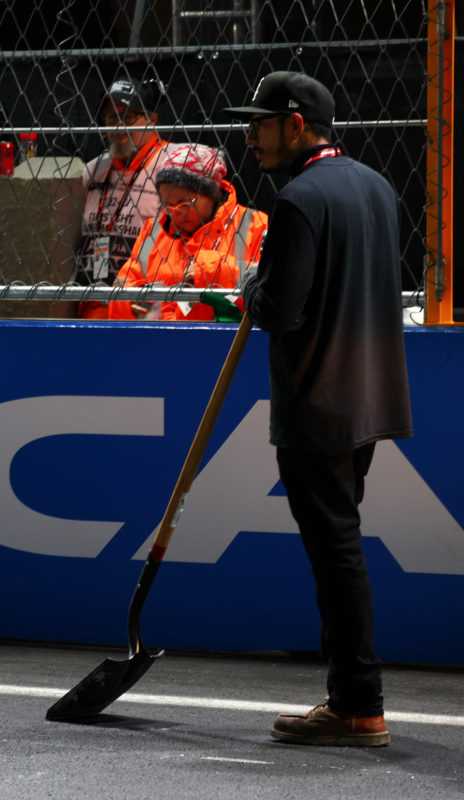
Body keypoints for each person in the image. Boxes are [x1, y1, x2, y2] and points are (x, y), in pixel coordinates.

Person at [227, 71, 413, 746]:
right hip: (369, 394)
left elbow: (283, 309)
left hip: (320, 402)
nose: (250, 138)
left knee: (336, 551)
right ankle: (353, 696)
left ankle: (359, 701)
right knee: (342, 545)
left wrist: (251, 282)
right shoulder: (376, 186)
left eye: (261, 124)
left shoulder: (299, 200)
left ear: (297, 123)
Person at [103, 143, 267, 320]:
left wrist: (212, 272)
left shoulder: (256, 226)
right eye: (168, 205)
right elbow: (125, 282)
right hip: (156, 340)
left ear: (212, 194)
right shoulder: (153, 230)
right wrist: (127, 304)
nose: (175, 212)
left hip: (225, 342)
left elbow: (271, 288)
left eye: (184, 203)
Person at [66, 76, 176, 318]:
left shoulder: (172, 164)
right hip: (92, 301)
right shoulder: (92, 171)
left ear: (152, 120)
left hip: (145, 304)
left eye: (127, 117)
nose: (118, 126)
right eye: (111, 117)